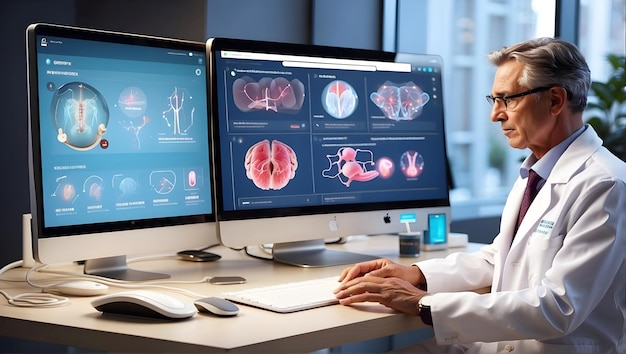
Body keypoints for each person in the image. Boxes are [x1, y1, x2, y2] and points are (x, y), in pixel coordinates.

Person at [333, 37, 626, 354]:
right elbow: (502, 256)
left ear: (555, 100)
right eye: (494, 100)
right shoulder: (538, 172)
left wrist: (424, 303)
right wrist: (416, 275)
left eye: (508, 100)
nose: (496, 115)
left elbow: (559, 307)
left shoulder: (606, 184)